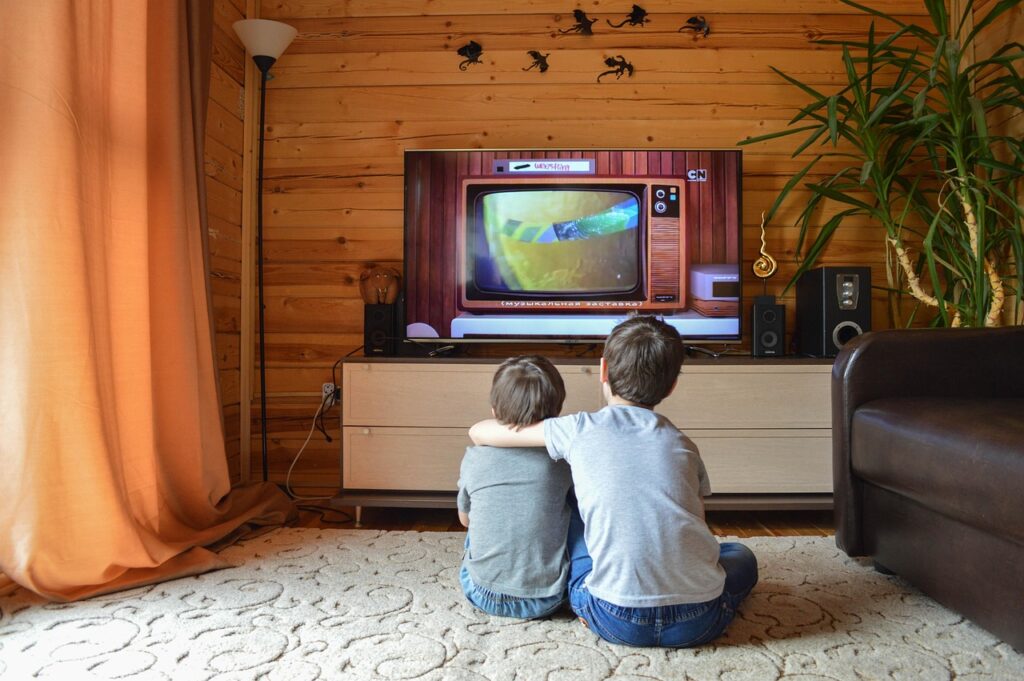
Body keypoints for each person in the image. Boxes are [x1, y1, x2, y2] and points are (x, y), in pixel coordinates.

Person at [468, 315, 758, 647]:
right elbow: (695, 521)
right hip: (698, 620)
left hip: (612, 617)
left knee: (575, 505)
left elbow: (480, 432)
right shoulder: (684, 445)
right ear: (673, 385)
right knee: (740, 555)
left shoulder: (578, 429)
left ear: (603, 370)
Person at [457, 355, 574, 619]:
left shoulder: (474, 457)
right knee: (573, 511)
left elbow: (464, 520)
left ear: (494, 410)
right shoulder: (562, 461)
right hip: (546, 598)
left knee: (480, 516)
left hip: (480, 591)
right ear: (556, 412)